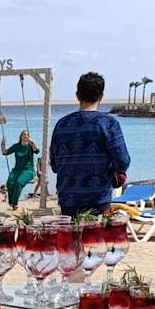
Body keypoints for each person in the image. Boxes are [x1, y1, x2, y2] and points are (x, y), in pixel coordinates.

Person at [48, 72, 130, 217]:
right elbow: (122, 161)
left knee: (73, 232)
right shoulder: (108, 123)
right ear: (101, 96)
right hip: (98, 198)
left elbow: (54, 165)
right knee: (96, 232)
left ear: (77, 95)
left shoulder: (62, 124)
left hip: (68, 198)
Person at [0, 129, 40, 210]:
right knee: (10, 183)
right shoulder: (16, 146)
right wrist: (2, 145)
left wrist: (32, 143)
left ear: (29, 137)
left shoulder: (30, 146)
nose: (25, 136)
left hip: (28, 171)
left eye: (27, 135)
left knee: (18, 182)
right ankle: (11, 203)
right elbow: (4, 152)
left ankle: (14, 204)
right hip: (16, 170)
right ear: (21, 136)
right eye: (24, 134)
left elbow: (37, 151)